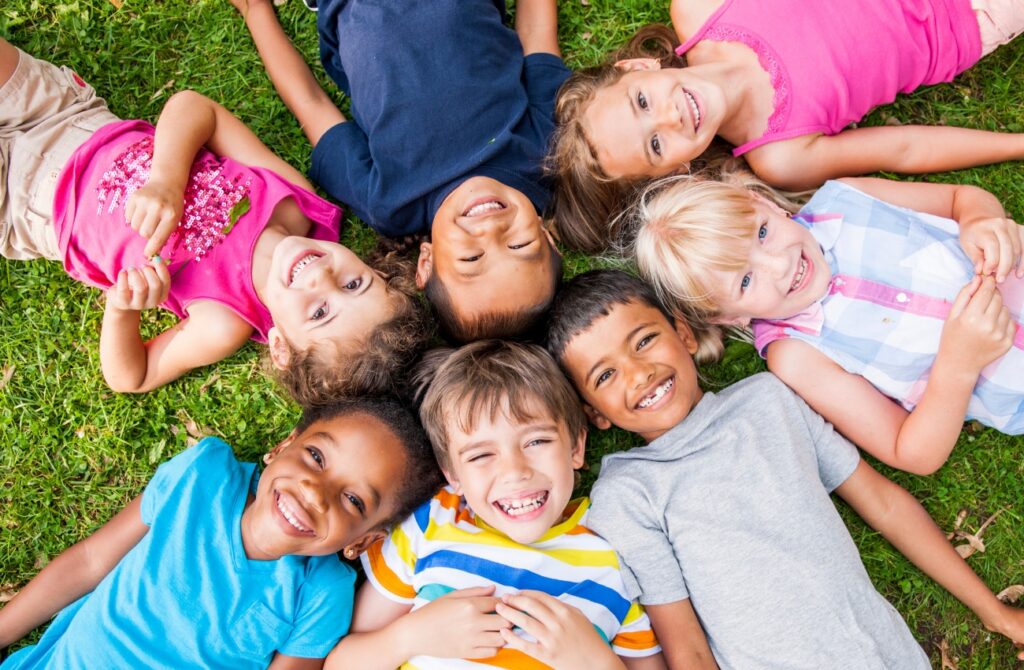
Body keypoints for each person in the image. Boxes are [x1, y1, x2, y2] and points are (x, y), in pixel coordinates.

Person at [545, 269, 1024, 668]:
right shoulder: (628, 492)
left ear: (684, 334)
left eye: (644, 341)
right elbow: (685, 646)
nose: (638, 373)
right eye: (605, 375)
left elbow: (884, 504)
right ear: (595, 413)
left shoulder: (769, 400)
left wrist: (993, 612)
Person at [0, 39, 429, 400]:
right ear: (375, 269)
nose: (322, 279)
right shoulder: (293, 202)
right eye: (354, 284)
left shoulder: (223, 321)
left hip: (26, 207)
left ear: (280, 347)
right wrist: (167, 179)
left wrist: (121, 309)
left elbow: (133, 376)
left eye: (318, 312)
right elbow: (195, 108)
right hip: (67, 115)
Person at [629, 165, 1024, 474]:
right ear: (728, 316)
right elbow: (911, 452)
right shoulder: (797, 353)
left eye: (762, 232)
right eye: (746, 280)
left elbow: (961, 199)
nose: (780, 263)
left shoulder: (848, 198)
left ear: (763, 203)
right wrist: (958, 365)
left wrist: (979, 221)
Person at [0, 397, 443, 668]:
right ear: (282, 446)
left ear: (362, 540)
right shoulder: (204, 476)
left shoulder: (322, 591)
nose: (315, 492)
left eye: (354, 501)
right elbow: (90, 562)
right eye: (315, 457)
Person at [548, 0, 1024, 252]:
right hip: (967, 18)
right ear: (677, 168)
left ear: (638, 69)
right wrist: (1016, 144)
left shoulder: (700, 9)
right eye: (655, 144)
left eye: (642, 102)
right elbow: (904, 148)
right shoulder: (780, 155)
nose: (669, 118)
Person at [228, 0, 568, 342]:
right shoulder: (543, 154)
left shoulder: (389, 203)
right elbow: (536, 35)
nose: (491, 230)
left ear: (428, 263)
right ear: (549, 239)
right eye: (521, 244)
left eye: (471, 257)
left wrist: (254, 11)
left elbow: (310, 104)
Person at [325, 340, 665, 669]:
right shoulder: (434, 521)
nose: (515, 472)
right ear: (452, 474)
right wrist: (410, 637)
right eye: (482, 455)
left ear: (576, 447)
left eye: (536, 441)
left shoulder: (614, 555)